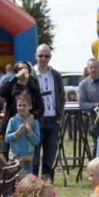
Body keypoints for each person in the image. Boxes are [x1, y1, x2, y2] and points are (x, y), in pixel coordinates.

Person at [31, 44, 66, 183]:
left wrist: (60, 117)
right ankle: (32, 190)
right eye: (41, 55)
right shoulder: (31, 75)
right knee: (34, 160)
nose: (43, 58)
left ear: (50, 57)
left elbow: (62, 97)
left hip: (53, 121)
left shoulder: (55, 75)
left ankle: (47, 193)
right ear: (36, 56)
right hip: (36, 122)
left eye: (46, 56)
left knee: (49, 160)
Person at [0, 60, 44, 160]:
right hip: (12, 126)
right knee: (8, 160)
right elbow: (1, 92)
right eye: (20, 69)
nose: (24, 71)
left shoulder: (34, 88)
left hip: (28, 129)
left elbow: (41, 108)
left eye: (26, 69)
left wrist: (33, 115)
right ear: (15, 71)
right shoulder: (11, 86)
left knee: (29, 161)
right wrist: (16, 78)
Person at [78, 58, 99, 159]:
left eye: (95, 67)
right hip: (94, 120)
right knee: (98, 144)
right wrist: (97, 105)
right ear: (87, 69)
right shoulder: (83, 84)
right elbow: (82, 104)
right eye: (91, 67)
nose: (93, 69)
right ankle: (95, 169)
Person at [5, 94, 41, 174]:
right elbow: (7, 139)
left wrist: (29, 130)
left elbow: (36, 141)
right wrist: (18, 132)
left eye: (24, 105)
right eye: (19, 105)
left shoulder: (34, 122)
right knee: (13, 182)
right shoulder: (12, 120)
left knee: (26, 183)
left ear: (30, 106)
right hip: (13, 158)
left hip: (27, 158)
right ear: (16, 106)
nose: (22, 108)